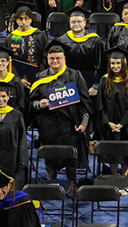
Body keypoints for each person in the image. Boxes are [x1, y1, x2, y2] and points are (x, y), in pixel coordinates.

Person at [29, 43, 91, 182]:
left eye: (58, 58)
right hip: (48, 126)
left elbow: (85, 101)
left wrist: (84, 122)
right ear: (47, 59)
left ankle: (72, 185)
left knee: (71, 159)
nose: (55, 61)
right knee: (51, 159)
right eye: (52, 59)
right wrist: (40, 104)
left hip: (70, 125)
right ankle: (52, 185)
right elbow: (31, 103)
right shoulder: (40, 77)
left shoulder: (74, 75)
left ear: (64, 59)